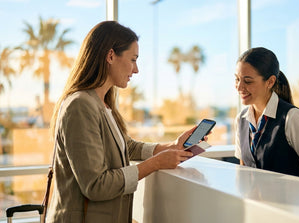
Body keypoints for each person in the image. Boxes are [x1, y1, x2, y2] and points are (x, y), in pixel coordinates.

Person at [47, 21, 196, 223]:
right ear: (110, 56)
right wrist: (155, 164)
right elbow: (96, 185)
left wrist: (171, 146)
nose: (136, 70)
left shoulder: (102, 103)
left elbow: (125, 146)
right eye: (133, 59)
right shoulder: (80, 105)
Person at [234, 47, 299, 182]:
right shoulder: (241, 120)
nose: (239, 86)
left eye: (247, 81)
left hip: (289, 202)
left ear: (270, 82)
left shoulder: (292, 118)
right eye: (237, 79)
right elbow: (244, 172)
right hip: (255, 203)